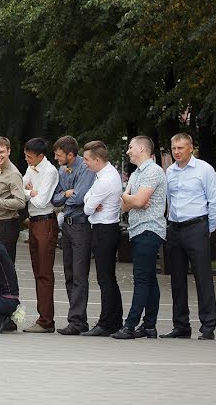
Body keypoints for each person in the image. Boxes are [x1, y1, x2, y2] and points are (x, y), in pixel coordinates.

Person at [163, 133, 216, 340]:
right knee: (177, 278)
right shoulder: (169, 171)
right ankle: (181, 325)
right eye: (174, 148)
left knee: (202, 277)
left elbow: (214, 203)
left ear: (191, 148)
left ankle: (208, 326)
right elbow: (169, 200)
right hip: (175, 228)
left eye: (181, 148)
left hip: (197, 226)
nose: (177, 152)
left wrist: (208, 229)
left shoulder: (204, 170)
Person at [112, 136, 166, 340]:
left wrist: (134, 199)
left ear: (142, 148)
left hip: (149, 230)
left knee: (141, 279)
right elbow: (124, 204)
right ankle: (149, 326)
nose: (128, 151)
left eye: (130, 147)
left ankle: (130, 325)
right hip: (138, 230)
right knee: (150, 279)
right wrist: (131, 199)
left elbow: (139, 200)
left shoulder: (153, 171)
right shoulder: (136, 175)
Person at [51, 135, 96, 336]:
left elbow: (79, 197)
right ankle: (77, 319)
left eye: (59, 155)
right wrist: (67, 194)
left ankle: (77, 321)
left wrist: (68, 195)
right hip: (67, 227)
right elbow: (55, 198)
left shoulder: (85, 169)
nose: (56, 158)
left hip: (80, 226)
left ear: (70, 154)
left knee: (79, 275)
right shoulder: (62, 170)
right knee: (69, 274)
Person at [80, 141, 123, 337]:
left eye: (87, 159)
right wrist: (90, 202)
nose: (85, 163)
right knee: (106, 278)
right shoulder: (102, 175)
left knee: (105, 278)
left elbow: (88, 207)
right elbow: (87, 199)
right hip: (101, 228)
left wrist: (90, 203)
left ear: (97, 159)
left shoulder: (106, 179)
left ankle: (108, 322)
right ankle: (113, 319)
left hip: (105, 229)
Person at [20, 138, 60, 333]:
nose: (26, 159)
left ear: (40, 156)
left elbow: (42, 201)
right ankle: (42, 317)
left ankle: (46, 320)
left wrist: (30, 193)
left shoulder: (50, 171)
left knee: (44, 272)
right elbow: (20, 190)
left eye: (29, 156)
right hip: (34, 223)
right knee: (37, 272)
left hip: (45, 222)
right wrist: (30, 192)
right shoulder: (31, 168)